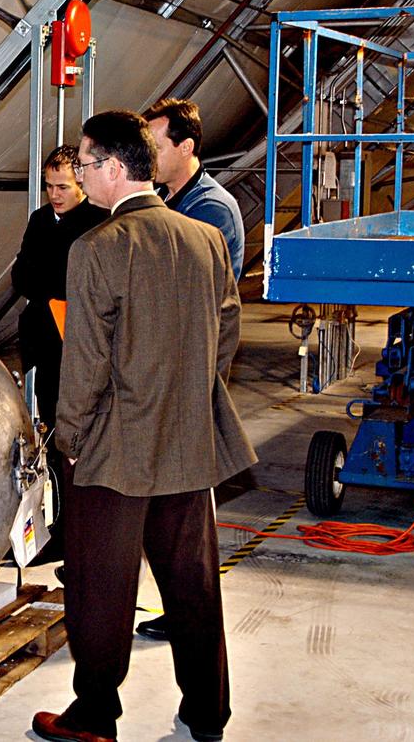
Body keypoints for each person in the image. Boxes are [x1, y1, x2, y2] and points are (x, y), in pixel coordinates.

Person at [31, 110, 257, 742]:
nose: (77, 173)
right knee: (192, 584)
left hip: (114, 452)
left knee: (101, 589)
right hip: (188, 443)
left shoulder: (98, 247)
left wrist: (67, 438)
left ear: (111, 168)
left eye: (83, 161)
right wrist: (188, 399)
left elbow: (86, 362)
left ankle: (96, 715)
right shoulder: (204, 239)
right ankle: (207, 712)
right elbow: (227, 333)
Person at [136, 98, 246, 644]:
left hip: (185, 388)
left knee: (187, 524)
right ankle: (180, 609)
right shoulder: (166, 198)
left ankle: (192, 617)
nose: (150, 154)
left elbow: (207, 309)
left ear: (185, 146)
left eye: (157, 144)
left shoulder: (212, 212)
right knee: (168, 519)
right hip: (162, 385)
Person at [11, 144, 108, 420]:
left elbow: (82, 285)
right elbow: (21, 278)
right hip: (44, 344)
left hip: (79, 345)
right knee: (50, 417)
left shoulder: (99, 221)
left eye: (62, 187)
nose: (54, 194)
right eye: (49, 186)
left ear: (81, 181)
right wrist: (55, 283)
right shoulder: (40, 219)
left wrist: (48, 281)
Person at [144, 99, 245, 280]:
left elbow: (174, 276)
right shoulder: (161, 195)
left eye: (156, 149)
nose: (148, 158)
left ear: (186, 147)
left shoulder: (212, 208)